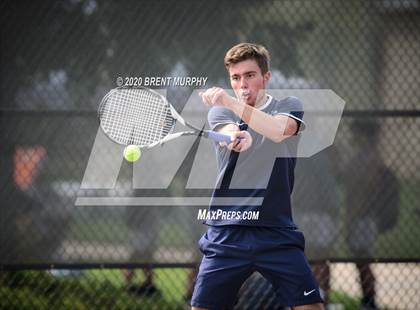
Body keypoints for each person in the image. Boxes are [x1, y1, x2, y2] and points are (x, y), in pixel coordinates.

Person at [191, 43, 324, 310]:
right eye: (235, 78)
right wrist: (234, 137)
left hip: (276, 231)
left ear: (266, 77)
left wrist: (230, 100)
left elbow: (277, 131)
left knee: (311, 307)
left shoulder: (289, 105)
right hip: (227, 233)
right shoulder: (220, 112)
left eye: (250, 75)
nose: (242, 84)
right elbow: (230, 133)